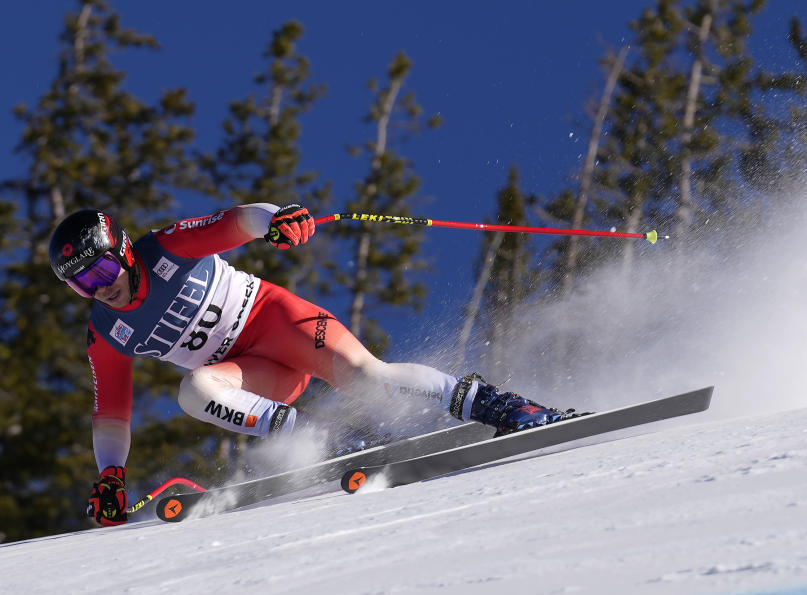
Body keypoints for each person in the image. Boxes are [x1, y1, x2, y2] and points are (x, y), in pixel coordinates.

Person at [49, 203, 571, 527]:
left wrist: (277, 219)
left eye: (101, 269)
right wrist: (111, 476)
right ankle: (329, 446)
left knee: (371, 379)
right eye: (83, 284)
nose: (101, 287)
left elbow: (236, 221)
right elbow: (110, 413)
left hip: (279, 324)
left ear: (122, 251)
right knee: (194, 391)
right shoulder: (106, 333)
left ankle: (504, 407)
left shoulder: (165, 247)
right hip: (253, 374)